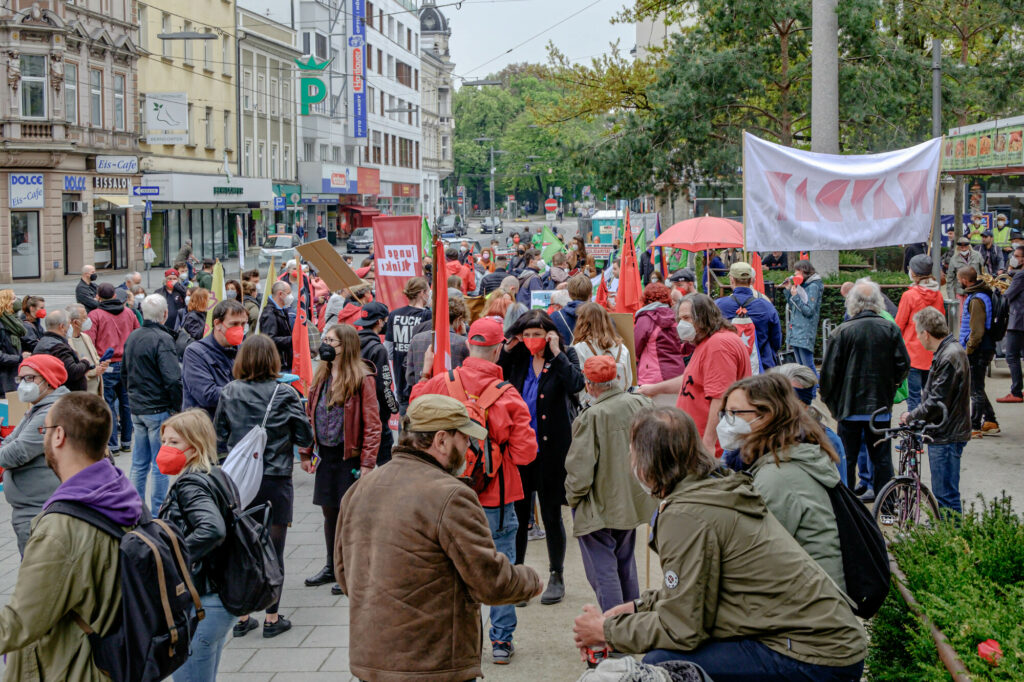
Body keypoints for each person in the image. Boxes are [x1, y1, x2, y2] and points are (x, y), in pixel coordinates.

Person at [572, 408, 867, 681]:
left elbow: (682, 628)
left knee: (664, 663)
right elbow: (697, 588)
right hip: (826, 641)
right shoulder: (713, 488)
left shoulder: (686, 514)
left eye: (633, 452)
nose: (630, 460)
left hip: (814, 655)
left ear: (651, 460)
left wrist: (605, 631)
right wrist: (638, 606)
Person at [335, 394, 543, 681]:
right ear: (441, 440)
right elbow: (490, 582)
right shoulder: (451, 495)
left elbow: (345, 576)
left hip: (371, 662)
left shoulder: (359, 490)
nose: (469, 448)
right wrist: (530, 579)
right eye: (464, 439)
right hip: (433, 664)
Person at [410, 317, 539, 665]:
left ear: (468, 345)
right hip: (496, 497)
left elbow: (414, 415)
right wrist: (497, 456)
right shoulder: (508, 394)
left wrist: (424, 376)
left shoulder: (440, 382)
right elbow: (526, 453)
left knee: (449, 568)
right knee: (501, 567)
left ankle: (454, 639)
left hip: (446, 494)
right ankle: (500, 642)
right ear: (498, 350)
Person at [0, 392, 144, 679]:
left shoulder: (60, 530)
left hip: (72, 668)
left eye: (44, 431)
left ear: (58, 436)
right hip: (111, 661)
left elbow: (18, 623)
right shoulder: (120, 495)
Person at [215, 335, 314, 638]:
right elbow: (305, 435)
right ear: (273, 360)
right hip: (274, 478)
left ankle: (243, 615)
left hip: (238, 480)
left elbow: (218, 436)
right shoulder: (284, 393)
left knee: (241, 548)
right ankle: (272, 617)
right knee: (273, 549)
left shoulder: (229, 391)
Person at [721, 373, 845, 588]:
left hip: (808, 604)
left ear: (768, 415)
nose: (726, 422)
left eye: (735, 413)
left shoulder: (778, 477)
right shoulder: (792, 454)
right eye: (725, 413)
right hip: (810, 595)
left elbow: (751, 554)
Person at [499, 309, 585, 605]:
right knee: (520, 517)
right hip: (520, 450)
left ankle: (556, 575)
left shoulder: (564, 354)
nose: (532, 340)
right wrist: (507, 348)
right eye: (527, 335)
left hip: (552, 450)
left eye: (538, 334)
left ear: (550, 334)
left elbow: (576, 384)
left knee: (550, 514)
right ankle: (520, 578)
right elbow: (496, 376)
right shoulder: (518, 358)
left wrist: (557, 352)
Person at [565, 355, 656, 613]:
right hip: (631, 499)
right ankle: (631, 624)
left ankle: (614, 630)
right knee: (625, 564)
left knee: (603, 570)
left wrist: (573, 498)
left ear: (589, 385)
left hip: (599, 505)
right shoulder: (642, 404)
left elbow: (579, 471)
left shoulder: (590, 417)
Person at [156, 409, 237, 681]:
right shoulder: (215, 474)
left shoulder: (190, 483)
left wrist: (175, 557)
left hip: (203, 601)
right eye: (164, 441)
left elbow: (212, 529)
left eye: (175, 442)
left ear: (196, 444)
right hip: (217, 599)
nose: (166, 448)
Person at [301, 324, 381, 593]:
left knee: (350, 515)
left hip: (351, 458)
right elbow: (309, 414)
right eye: (325, 339)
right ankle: (331, 567)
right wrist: (305, 453)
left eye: (331, 341)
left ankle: (351, 569)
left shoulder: (362, 377)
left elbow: (373, 423)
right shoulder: (321, 375)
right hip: (325, 455)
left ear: (345, 346)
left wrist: (368, 462)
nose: (325, 344)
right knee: (329, 512)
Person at [821, 279, 910, 492]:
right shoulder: (890, 328)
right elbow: (903, 364)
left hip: (849, 408)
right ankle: (887, 506)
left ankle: (850, 511)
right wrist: (891, 388)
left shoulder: (842, 331)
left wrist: (833, 403)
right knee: (882, 459)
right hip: (879, 407)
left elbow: (828, 374)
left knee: (847, 460)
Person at [639, 294, 751, 454]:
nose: (681, 324)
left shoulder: (718, 345)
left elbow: (720, 396)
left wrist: (708, 443)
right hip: (697, 441)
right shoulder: (709, 341)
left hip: (712, 448)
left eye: (687, 318)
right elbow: (691, 380)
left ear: (703, 317)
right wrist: (654, 389)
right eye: (679, 319)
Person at [901, 307, 971, 514]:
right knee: (946, 494)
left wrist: (911, 416)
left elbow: (936, 401)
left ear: (926, 333)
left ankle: (955, 542)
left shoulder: (948, 356)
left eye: (917, 332)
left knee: (946, 496)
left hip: (946, 434)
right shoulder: (950, 351)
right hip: (947, 431)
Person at [0, 355, 68, 553]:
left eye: (30, 378)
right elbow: (9, 442)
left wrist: (6, 449)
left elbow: (16, 453)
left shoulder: (52, 412)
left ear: (48, 379)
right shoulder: (38, 408)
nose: (23, 384)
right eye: (21, 379)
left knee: (38, 572)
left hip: (40, 509)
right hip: (31, 507)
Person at [124, 294, 182, 514]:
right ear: (165, 314)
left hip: (138, 407)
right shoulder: (163, 339)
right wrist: (176, 407)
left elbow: (124, 372)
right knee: (160, 464)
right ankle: (157, 511)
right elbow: (173, 379)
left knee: (139, 463)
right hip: (158, 407)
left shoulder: (133, 337)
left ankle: (135, 510)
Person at [771, 362, 847, 485]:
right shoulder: (756, 438)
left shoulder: (828, 441)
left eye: (788, 401)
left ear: (805, 405)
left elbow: (840, 493)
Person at [86, 282, 140, 453]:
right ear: (115, 296)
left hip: (106, 364)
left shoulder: (95, 315)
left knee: (108, 405)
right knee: (126, 404)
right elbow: (137, 335)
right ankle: (126, 442)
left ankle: (112, 444)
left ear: (98, 297)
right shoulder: (129, 313)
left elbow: (90, 341)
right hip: (126, 363)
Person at [895, 254, 945, 411]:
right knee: (931, 397)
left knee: (914, 398)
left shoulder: (909, 295)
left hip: (912, 354)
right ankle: (930, 430)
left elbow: (899, 325)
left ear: (914, 273)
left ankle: (916, 434)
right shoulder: (938, 294)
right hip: (932, 353)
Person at [182, 299, 248, 419]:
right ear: (217, 324)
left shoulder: (242, 348)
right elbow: (207, 395)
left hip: (233, 424)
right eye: (234, 324)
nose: (240, 329)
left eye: (243, 324)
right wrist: (249, 390)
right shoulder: (195, 352)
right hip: (205, 428)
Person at [715, 262, 783, 371]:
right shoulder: (766, 306)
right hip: (763, 366)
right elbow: (776, 341)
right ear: (751, 280)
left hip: (728, 366)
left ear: (731, 279)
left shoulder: (718, 306)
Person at [957, 266, 1000, 438]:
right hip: (984, 347)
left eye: (960, 278)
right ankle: (990, 420)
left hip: (979, 350)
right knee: (977, 387)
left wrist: (968, 350)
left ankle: (974, 426)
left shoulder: (976, 300)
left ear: (965, 280)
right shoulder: (981, 294)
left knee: (975, 390)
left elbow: (977, 331)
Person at [355, 301, 398, 464]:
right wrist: (393, 407)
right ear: (379, 322)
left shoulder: (350, 344)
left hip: (353, 411)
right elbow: (383, 385)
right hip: (375, 416)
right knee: (385, 464)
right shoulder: (378, 349)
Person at [571, 302, 633, 408]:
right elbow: (629, 381)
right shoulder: (622, 348)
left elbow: (578, 384)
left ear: (581, 322)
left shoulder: (579, 349)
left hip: (591, 405)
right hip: (620, 403)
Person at [385, 277, 432, 414]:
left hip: (400, 372)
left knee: (404, 416)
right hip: (420, 372)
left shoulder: (394, 314)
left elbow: (389, 349)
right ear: (422, 293)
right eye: (428, 292)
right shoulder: (427, 315)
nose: (429, 295)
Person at [406, 296, 470, 390]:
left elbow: (410, 377)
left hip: (423, 394)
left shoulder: (417, 339)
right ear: (459, 319)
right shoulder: (463, 342)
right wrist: (464, 335)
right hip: (451, 397)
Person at [33, 309, 91, 392]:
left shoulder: (43, 343)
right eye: (68, 324)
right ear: (62, 326)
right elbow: (73, 372)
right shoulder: (58, 347)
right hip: (66, 397)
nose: (70, 327)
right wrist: (85, 362)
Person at [783, 259, 825, 374]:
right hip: (796, 330)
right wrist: (788, 291)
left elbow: (809, 311)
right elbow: (794, 306)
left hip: (805, 331)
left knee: (807, 366)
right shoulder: (802, 285)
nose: (795, 274)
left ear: (803, 271)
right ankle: (808, 389)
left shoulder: (813, 286)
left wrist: (796, 296)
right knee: (800, 366)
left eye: (797, 272)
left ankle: (815, 388)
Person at [1000, 244, 1024, 403]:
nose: (1014, 258)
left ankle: (1016, 391)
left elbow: (1008, 295)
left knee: (1011, 356)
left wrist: (1000, 288)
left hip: (1018, 321)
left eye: (1016, 256)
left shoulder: (1020, 276)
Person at [67, 304, 107, 397]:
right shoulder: (66, 344)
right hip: (81, 397)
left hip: (96, 395)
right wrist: (92, 373)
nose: (88, 320)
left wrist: (102, 365)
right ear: (75, 323)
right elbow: (72, 373)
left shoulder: (85, 337)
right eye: (85, 318)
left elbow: (95, 358)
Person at [259, 282, 294, 371]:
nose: (291, 296)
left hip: (285, 362)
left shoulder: (282, 310)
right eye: (289, 293)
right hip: (279, 365)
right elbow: (269, 340)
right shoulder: (270, 314)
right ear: (280, 294)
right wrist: (293, 339)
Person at [552, 274, 592, 344]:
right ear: (591, 294)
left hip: (564, 354)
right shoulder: (602, 316)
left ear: (569, 294)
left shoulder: (555, 317)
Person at [0, 290, 26, 392]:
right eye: (13, 298)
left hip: (14, 375)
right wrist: (19, 358)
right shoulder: (2, 326)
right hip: (4, 381)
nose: (17, 301)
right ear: (6, 302)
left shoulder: (14, 322)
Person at [946, 237, 983, 301]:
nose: (963, 248)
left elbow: (984, 273)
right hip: (961, 293)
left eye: (965, 245)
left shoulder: (977, 256)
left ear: (969, 246)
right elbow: (950, 280)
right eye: (961, 246)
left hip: (976, 291)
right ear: (958, 247)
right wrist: (952, 298)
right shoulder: (953, 259)